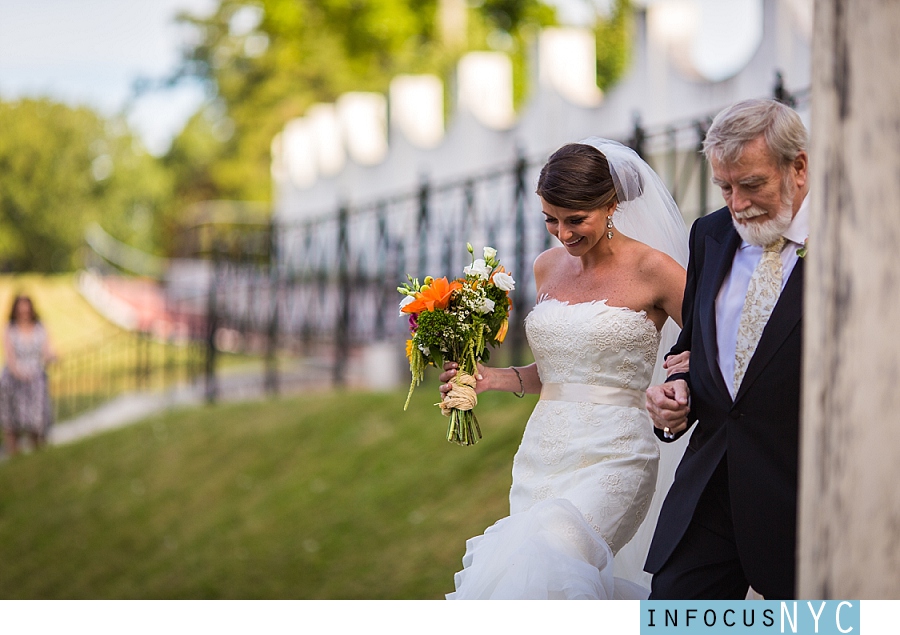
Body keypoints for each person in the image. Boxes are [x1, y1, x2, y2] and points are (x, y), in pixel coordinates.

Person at [439, 138, 689, 599]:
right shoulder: (546, 267)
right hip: (543, 453)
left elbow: (706, 347)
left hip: (617, 452)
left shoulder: (656, 270)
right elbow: (562, 368)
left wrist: (680, 383)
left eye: (576, 220)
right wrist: (491, 378)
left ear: (610, 205)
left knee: (557, 556)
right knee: (528, 573)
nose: (563, 233)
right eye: (550, 219)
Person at [644, 98, 809, 600]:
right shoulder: (710, 234)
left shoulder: (859, 241)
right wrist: (676, 394)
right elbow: (693, 350)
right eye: (724, 186)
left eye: (752, 184)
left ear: (798, 167)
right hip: (710, 488)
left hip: (800, 496)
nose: (736, 204)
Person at [0, 295, 56, 456]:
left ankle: (38, 452)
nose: (24, 312)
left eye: (26, 308)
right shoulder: (9, 328)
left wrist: (53, 357)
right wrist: (20, 374)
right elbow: (10, 358)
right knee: (12, 421)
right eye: (21, 308)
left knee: (36, 420)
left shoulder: (39, 327)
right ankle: (14, 453)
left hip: (35, 378)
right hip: (14, 379)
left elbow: (47, 350)